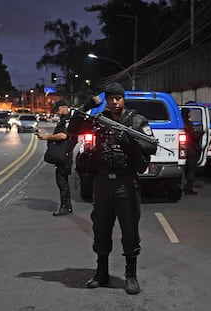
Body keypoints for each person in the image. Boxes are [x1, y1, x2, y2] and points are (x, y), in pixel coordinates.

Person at [68, 83, 157, 295]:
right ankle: (101, 273)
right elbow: (73, 129)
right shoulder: (99, 121)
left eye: (118, 98)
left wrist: (130, 140)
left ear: (123, 99)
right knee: (101, 229)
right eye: (111, 98)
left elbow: (151, 145)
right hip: (102, 184)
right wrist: (88, 104)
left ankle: (131, 275)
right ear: (106, 100)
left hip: (126, 183)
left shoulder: (137, 121)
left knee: (130, 231)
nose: (115, 102)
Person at [38, 100, 77, 216]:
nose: (58, 112)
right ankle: (66, 206)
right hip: (63, 154)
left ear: (65, 107)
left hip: (65, 155)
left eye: (58, 109)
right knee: (61, 181)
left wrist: (47, 137)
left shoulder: (69, 120)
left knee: (62, 182)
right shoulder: (65, 119)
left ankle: (65, 207)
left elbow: (63, 135)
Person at [181, 108, 201, 195]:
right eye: (190, 113)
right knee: (191, 169)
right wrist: (200, 134)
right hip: (190, 148)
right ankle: (188, 188)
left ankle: (183, 186)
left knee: (184, 169)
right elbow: (194, 135)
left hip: (182, 149)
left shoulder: (180, 123)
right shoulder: (188, 124)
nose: (191, 114)